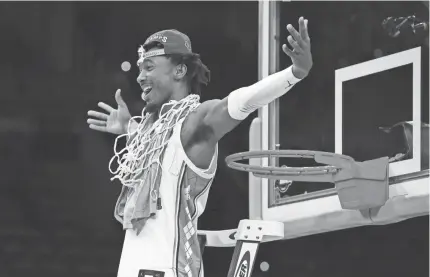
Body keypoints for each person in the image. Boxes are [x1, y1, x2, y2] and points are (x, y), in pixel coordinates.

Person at [87, 17, 313, 277]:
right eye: (140, 68)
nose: (140, 77)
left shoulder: (194, 124)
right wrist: (130, 129)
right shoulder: (151, 136)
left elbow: (243, 101)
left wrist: (294, 73)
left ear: (179, 71)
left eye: (149, 67)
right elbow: (159, 147)